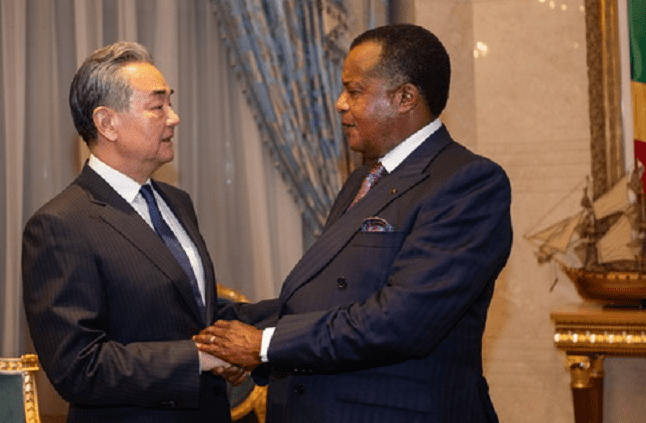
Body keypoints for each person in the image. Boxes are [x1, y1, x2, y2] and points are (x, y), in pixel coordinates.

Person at [195, 24, 513, 423]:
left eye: (354, 91)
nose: (339, 103)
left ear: (405, 98)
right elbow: (325, 301)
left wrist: (264, 345)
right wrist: (217, 325)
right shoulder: (364, 179)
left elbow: (402, 320)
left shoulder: (467, 182)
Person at [22, 42, 244, 423]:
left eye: (170, 103)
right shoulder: (60, 225)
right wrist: (197, 358)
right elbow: (77, 366)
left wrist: (271, 329)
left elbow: (192, 310)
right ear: (107, 123)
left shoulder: (177, 202)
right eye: (158, 106)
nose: (174, 118)